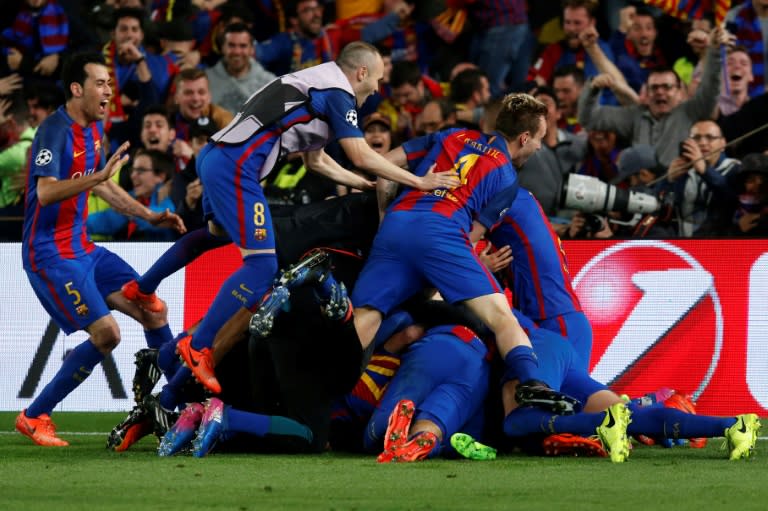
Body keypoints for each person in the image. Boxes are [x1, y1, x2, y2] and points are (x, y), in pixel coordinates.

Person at [121, 42, 459, 395]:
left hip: (216, 156)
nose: (376, 89)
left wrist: (364, 184)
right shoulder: (338, 93)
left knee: (216, 232)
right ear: (360, 73)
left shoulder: (312, 81)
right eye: (375, 80)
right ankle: (199, 345)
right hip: (239, 168)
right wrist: (420, 181)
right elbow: (359, 153)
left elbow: (317, 161)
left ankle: (143, 288)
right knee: (262, 268)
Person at [350, 92, 578, 415]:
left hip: (397, 225)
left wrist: (386, 214)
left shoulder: (451, 135)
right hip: (443, 232)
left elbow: (383, 164)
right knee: (501, 316)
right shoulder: (507, 178)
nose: (539, 147)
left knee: (367, 314)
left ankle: (325, 388)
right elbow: (469, 237)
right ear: (524, 138)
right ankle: (532, 384)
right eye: (539, 139)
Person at [15, 52, 185, 447]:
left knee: (152, 309)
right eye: (100, 83)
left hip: (83, 248)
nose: (109, 91)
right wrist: (97, 175)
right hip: (50, 255)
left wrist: (149, 215)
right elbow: (45, 191)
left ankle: (171, 407)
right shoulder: (54, 131)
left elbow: (103, 185)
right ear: (77, 89)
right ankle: (35, 414)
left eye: (110, 83)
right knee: (107, 334)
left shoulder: (93, 130)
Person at [453, 309, 762, 463]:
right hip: (554, 347)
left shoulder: (447, 284)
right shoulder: (471, 276)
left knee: (517, 422)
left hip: (533, 348)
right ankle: (734, 425)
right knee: (627, 415)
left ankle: (602, 424)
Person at [578, 27, 729, 166]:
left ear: (679, 92)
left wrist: (714, 51)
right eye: (654, 87)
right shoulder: (635, 115)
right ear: (646, 92)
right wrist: (593, 90)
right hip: (641, 190)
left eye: (667, 87)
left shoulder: (691, 111)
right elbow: (589, 119)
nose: (660, 92)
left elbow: (711, 86)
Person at [484, 188, 593, 371]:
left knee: (565, 395)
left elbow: (456, 237)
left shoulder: (502, 196)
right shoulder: (524, 201)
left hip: (555, 320)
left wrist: (480, 267)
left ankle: (641, 401)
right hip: (553, 320)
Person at [205, 22, 276, 114]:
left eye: (243, 46)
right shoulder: (205, 80)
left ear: (252, 49)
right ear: (222, 47)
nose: (237, 52)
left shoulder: (269, 83)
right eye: (231, 45)